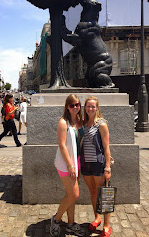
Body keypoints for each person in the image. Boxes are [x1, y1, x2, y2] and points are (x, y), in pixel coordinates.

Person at [50, 94, 85, 237]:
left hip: (77, 160)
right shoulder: (63, 122)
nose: (75, 107)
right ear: (67, 107)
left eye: (77, 105)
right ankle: (56, 219)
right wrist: (70, 166)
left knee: (71, 195)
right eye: (72, 105)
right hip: (65, 163)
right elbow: (62, 145)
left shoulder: (79, 121)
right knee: (74, 194)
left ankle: (71, 224)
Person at [80, 96, 112, 237]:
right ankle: (97, 217)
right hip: (86, 164)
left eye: (93, 106)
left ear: (97, 108)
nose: (90, 109)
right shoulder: (83, 123)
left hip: (98, 163)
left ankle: (106, 225)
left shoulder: (101, 124)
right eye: (88, 106)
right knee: (93, 193)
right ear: (85, 108)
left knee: (103, 195)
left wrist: (107, 167)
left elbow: (106, 148)